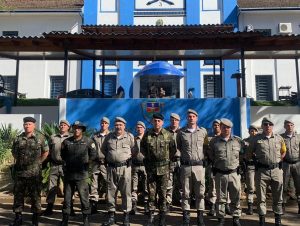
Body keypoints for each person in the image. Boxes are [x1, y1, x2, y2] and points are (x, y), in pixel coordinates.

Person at [10, 116, 49, 226]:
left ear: (34, 125)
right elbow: (14, 152)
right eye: (25, 124)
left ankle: (35, 218)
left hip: (34, 173)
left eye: (29, 124)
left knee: (35, 196)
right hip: (20, 172)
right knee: (18, 195)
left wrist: (39, 162)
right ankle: (18, 218)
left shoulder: (40, 138)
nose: (27, 126)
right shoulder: (18, 139)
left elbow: (46, 152)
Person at [141, 113, 176, 226]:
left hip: (164, 169)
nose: (157, 123)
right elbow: (142, 148)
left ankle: (162, 217)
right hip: (151, 169)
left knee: (162, 194)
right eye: (155, 120)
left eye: (159, 121)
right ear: (152, 122)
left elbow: (173, 150)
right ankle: (151, 216)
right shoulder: (147, 134)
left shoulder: (168, 134)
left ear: (162, 122)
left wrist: (165, 160)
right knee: (151, 193)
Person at [250, 117, 286, 226]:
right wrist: (256, 161)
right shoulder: (256, 139)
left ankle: (278, 219)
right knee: (261, 197)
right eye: (265, 124)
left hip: (276, 171)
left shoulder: (279, 138)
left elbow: (283, 151)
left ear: (272, 126)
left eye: (270, 124)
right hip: (262, 171)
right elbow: (249, 153)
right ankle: (262, 219)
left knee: (278, 196)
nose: (268, 126)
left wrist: (279, 160)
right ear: (262, 126)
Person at [60, 121, 97, 226]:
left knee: (84, 198)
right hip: (69, 175)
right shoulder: (66, 142)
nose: (77, 130)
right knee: (67, 199)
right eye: (75, 128)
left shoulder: (88, 141)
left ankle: (86, 219)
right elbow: (63, 155)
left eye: (79, 128)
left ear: (82, 130)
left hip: (82, 175)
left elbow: (94, 155)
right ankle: (65, 219)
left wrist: (87, 165)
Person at [208, 118, 243, 226]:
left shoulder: (238, 141)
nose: (226, 129)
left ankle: (236, 218)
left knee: (236, 197)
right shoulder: (214, 141)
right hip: (220, 174)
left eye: (228, 127)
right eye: (224, 127)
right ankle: (221, 218)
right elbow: (211, 156)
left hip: (234, 173)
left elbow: (242, 156)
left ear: (231, 128)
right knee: (221, 198)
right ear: (220, 128)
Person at [101, 117, 135, 226]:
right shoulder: (109, 137)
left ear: (124, 126)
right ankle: (111, 216)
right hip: (111, 168)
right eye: (116, 125)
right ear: (114, 126)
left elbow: (134, 151)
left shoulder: (129, 137)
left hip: (125, 168)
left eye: (120, 125)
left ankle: (126, 217)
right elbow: (103, 150)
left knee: (126, 193)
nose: (118, 127)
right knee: (111, 192)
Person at [176, 109, 207, 226]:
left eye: (193, 116)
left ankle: (200, 217)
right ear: (187, 118)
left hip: (199, 166)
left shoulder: (203, 132)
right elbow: (178, 147)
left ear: (197, 118)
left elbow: (206, 147)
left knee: (200, 193)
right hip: (186, 167)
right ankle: (186, 217)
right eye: (189, 116)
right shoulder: (181, 133)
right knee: (185, 193)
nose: (191, 118)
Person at [43, 119, 71, 216]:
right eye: (61, 125)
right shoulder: (53, 137)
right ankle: (49, 207)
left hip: (66, 166)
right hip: (54, 165)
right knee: (51, 186)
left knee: (68, 186)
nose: (62, 126)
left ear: (68, 127)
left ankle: (69, 207)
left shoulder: (71, 138)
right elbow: (48, 151)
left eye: (64, 125)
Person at [206, 119, 232, 216]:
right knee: (212, 186)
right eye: (215, 125)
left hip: (225, 167)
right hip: (213, 166)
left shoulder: (227, 138)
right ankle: (212, 206)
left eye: (218, 125)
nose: (216, 127)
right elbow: (208, 152)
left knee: (226, 187)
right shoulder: (210, 139)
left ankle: (227, 205)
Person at [89, 117, 110, 214]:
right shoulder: (94, 136)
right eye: (102, 123)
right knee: (94, 183)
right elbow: (91, 148)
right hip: (96, 163)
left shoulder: (111, 136)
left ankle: (109, 204)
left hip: (106, 164)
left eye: (105, 123)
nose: (103, 124)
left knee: (109, 183)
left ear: (108, 125)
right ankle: (93, 204)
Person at [281, 119, 300, 214]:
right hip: (286, 164)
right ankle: (283, 205)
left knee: (299, 185)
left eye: (291, 125)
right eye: (288, 125)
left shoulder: (298, 137)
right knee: (283, 185)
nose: (290, 127)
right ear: (284, 126)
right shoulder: (280, 138)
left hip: (297, 164)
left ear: (294, 126)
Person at [130, 121, 149, 215]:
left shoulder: (148, 138)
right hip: (135, 165)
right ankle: (134, 206)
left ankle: (146, 206)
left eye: (141, 127)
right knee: (134, 187)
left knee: (146, 186)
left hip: (145, 165)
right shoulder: (133, 139)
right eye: (137, 127)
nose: (139, 129)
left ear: (144, 128)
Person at [166, 113, 181, 211]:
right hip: (169, 160)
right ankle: (168, 202)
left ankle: (182, 203)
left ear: (179, 121)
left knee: (182, 183)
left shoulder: (183, 131)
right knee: (168, 183)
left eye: (176, 120)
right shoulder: (165, 131)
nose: (174, 121)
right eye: (172, 120)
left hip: (181, 160)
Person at [242, 125, 258, 215]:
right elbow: (241, 153)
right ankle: (250, 206)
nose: (253, 132)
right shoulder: (245, 141)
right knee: (251, 187)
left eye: (255, 131)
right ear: (249, 132)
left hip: (260, 167)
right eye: (252, 131)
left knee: (260, 187)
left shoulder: (260, 140)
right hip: (250, 166)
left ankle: (260, 206)